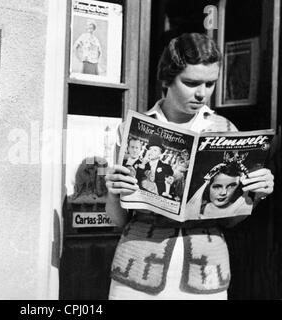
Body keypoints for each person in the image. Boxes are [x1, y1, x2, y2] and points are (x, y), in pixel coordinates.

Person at [104, 33, 274, 300]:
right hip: (136, 271)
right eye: (191, 82)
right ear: (167, 78)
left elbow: (230, 220)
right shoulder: (132, 130)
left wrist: (255, 194)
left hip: (206, 274)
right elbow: (118, 220)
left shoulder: (225, 130)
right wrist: (113, 191)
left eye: (210, 84)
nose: (201, 93)